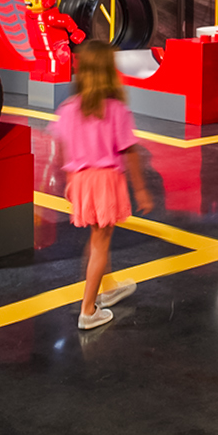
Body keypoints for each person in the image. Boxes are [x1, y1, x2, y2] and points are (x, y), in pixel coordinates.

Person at [50, 41, 154, 331]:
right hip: (105, 180)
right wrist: (141, 190)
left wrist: (69, 180)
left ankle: (107, 288)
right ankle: (88, 310)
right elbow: (130, 150)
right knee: (100, 242)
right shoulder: (115, 109)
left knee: (98, 236)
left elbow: (62, 147)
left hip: (80, 179)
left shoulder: (69, 108)